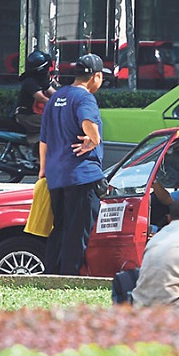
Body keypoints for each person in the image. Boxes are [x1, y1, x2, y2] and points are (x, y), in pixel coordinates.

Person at [39, 53, 108, 276]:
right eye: (101, 77)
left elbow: (44, 140)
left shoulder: (57, 96)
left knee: (59, 230)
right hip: (82, 176)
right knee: (76, 235)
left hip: (56, 176)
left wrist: (43, 170)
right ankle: (69, 279)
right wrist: (93, 140)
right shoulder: (84, 98)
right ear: (95, 77)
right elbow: (89, 124)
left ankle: (52, 276)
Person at [16, 50, 58, 149]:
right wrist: (58, 104)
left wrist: (67, 99)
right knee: (54, 122)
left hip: (33, 115)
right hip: (25, 116)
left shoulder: (40, 80)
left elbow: (52, 92)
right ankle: (38, 151)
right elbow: (41, 98)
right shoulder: (30, 82)